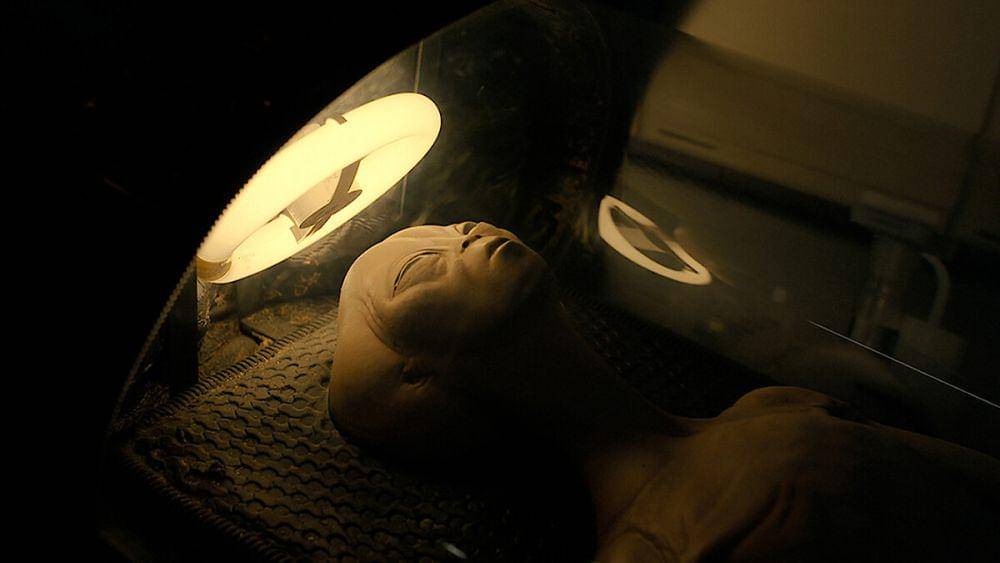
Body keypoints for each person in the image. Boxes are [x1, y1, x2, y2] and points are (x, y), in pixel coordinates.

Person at [328, 221, 1000, 562]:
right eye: (421, 266)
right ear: (415, 374)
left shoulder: (770, 407)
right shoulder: (648, 550)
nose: (467, 233)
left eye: (454, 226)